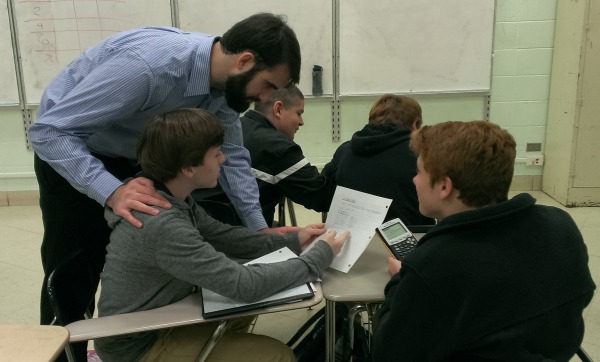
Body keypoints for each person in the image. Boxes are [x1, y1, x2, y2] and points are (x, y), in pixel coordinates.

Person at [28, 12, 301, 351]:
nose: (264, 99)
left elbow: (234, 158)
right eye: (268, 86)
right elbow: (49, 131)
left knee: (139, 247)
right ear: (244, 61)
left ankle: (136, 345)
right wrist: (111, 190)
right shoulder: (149, 68)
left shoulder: (222, 87)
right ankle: (61, 354)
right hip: (73, 150)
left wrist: (259, 230)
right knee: (75, 274)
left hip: (128, 152)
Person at [94, 108, 349, 362]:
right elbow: (243, 285)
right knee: (277, 356)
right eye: (216, 154)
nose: (224, 160)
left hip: (159, 318)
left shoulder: (171, 198)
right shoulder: (163, 224)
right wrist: (316, 259)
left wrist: (293, 241)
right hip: (138, 344)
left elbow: (224, 237)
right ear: (188, 168)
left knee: (249, 308)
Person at [371, 121, 596, 361]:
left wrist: (399, 282)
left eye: (419, 172)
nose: (414, 180)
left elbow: (388, 352)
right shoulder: (561, 225)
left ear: (445, 186)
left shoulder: (433, 264)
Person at [195, 85, 335, 226]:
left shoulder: (237, 128)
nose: (301, 122)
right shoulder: (278, 147)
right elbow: (322, 198)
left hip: (202, 220)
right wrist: (341, 157)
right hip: (240, 233)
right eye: (299, 113)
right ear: (278, 109)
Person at [322, 94, 434, 226]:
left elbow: (324, 193)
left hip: (349, 240)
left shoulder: (344, 151)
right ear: (415, 124)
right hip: (411, 239)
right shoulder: (423, 154)